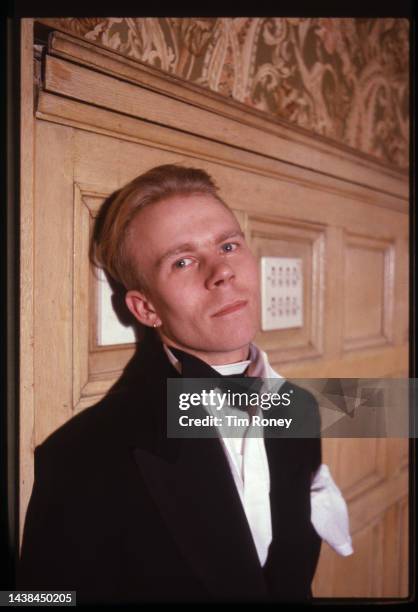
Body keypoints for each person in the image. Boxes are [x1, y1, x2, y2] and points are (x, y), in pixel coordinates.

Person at [18, 165, 352, 604]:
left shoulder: (301, 407)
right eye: (183, 261)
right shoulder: (80, 456)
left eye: (228, 245)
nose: (222, 272)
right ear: (146, 308)